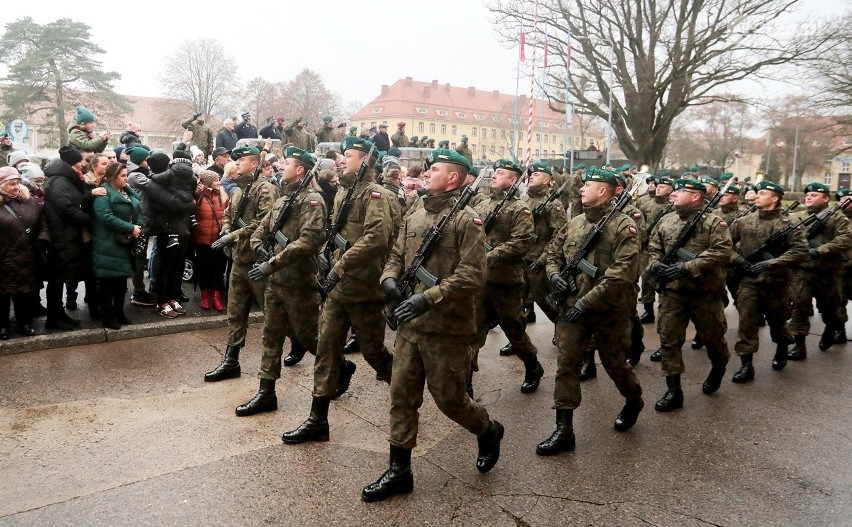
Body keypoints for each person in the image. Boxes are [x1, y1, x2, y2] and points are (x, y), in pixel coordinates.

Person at [360, 149, 503, 502]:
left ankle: (487, 429)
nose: (427, 172)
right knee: (401, 397)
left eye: (435, 169)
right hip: (411, 327)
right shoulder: (417, 209)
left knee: (450, 401)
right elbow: (395, 253)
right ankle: (399, 471)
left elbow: (473, 275)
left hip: (446, 327)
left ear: (452, 177)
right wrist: (390, 279)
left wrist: (428, 297)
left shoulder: (466, 221)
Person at [281, 136, 395, 444]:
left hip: (364, 288)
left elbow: (377, 239)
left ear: (366, 161)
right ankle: (317, 420)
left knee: (374, 352)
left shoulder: (376, 195)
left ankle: (406, 390)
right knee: (327, 350)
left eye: (348, 155)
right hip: (337, 289)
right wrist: (325, 255)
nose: (341, 160)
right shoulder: (344, 191)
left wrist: (340, 266)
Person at [540, 167, 644, 455]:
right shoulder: (574, 224)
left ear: (602, 191)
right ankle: (564, 430)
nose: (582, 188)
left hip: (608, 310)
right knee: (566, 366)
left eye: (588, 185)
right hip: (573, 308)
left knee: (614, 365)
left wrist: (587, 301)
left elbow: (622, 273)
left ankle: (633, 398)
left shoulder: (624, 227)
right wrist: (553, 275)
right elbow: (552, 253)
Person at [236, 147, 327, 416]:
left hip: (298, 281)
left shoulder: (312, 201)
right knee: (271, 336)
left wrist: (270, 264)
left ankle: (339, 366)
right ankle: (266, 393)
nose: (280, 167)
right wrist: (257, 245)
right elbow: (262, 227)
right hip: (275, 280)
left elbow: (308, 241)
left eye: (286, 163)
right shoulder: (283, 197)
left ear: (300, 169)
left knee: (308, 337)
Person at [647, 178, 732, 412]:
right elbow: (653, 247)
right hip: (673, 292)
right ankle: (673, 390)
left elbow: (723, 251)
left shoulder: (714, 223)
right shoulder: (666, 220)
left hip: (705, 293)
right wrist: (656, 265)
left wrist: (687, 266)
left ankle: (718, 367)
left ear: (696, 196)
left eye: (681, 191)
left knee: (714, 338)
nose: (673, 194)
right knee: (669, 340)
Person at [204, 146, 280, 382]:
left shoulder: (265, 190)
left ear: (255, 164)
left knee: (273, 315)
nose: (236, 164)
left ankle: (296, 348)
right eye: (235, 161)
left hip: (257, 262)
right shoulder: (238, 191)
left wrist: (233, 236)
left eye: (241, 161)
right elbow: (229, 215)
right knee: (236, 313)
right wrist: (226, 228)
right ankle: (231, 361)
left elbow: (264, 223)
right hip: (239, 261)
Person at [472, 159, 544, 394]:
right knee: (473, 331)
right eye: (495, 171)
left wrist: (489, 256)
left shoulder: (519, 209)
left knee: (514, 332)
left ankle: (533, 366)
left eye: (500, 172)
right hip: (480, 280)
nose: (494, 175)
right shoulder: (483, 204)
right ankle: (465, 381)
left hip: (506, 282)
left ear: (513, 180)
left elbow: (522, 243)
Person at [728, 180, 808, 382]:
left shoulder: (788, 224)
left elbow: (800, 251)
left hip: (776, 283)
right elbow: (723, 245)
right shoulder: (744, 221)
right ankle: (747, 366)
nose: (757, 195)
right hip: (749, 281)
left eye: (762, 193)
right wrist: (739, 261)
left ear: (775, 198)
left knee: (778, 323)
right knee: (746, 323)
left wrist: (771, 263)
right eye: (757, 192)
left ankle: (782, 348)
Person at [786, 182, 852, 359]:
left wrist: (819, 250)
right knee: (799, 305)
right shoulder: (795, 218)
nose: (809, 197)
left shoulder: (837, 218)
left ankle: (831, 328)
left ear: (826, 199)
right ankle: (799, 346)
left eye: (814, 195)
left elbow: (845, 240)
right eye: (808, 194)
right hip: (802, 270)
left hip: (828, 271)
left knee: (831, 307)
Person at [42, 146, 105, 330]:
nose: (82, 164)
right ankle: (54, 318)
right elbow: (65, 207)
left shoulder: (65, 178)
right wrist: (88, 220)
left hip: (67, 233)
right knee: (57, 277)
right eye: (80, 161)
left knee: (61, 276)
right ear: (71, 163)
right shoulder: (59, 180)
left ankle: (59, 314)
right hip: (61, 234)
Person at [91, 163, 143, 330]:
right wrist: (130, 228)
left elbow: (138, 210)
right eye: (123, 176)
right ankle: (108, 317)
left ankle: (119, 312)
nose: (126, 178)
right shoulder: (104, 193)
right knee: (108, 285)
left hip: (125, 243)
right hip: (108, 244)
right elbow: (105, 216)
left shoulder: (127, 191)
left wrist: (139, 226)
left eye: (126, 175)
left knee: (121, 283)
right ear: (112, 177)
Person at [0, 167, 49, 339]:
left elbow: (42, 222)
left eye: (17, 183)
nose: (15, 187)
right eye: (10, 184)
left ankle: (24, 323)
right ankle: (2, 326)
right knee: (2, 295)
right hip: (4, 258)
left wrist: (42, 238)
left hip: (28, 255)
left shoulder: (29, 201)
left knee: (25, 293)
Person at [520, 161, 566, 326]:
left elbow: (558, 236)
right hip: (522, 259)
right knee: (518, 303)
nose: (531, 177)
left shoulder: (554, 205)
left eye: (536, 174)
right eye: (531, 174)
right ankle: (517, 340)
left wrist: (543, 259)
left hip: (539, 261)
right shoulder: (523, 200)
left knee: (546, 302)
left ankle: (561, 330)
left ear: (547, 180)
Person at [638, 175, 674, 325]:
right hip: (648, 247)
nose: (658, 187)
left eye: (662, 186)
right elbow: (640, 225)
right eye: (657, 185)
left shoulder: (674, 207)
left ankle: (666, 308)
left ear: (671, 190)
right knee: (647, 279)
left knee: (668, 279)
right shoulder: (645, 204)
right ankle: (648, 310)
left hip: (668, 249)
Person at [192, 170, 228, 312]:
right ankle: (205, 296)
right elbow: (192, 211)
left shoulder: (222, 194)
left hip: (219, 239)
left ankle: (216, 297)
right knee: (203, 269)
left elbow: (227, 209)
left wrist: (222, 190)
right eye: (215, 180)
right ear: (207, 182)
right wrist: (196, 194)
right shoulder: (199, 196)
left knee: (218, 269)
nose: (219, 182)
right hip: (202, 239)